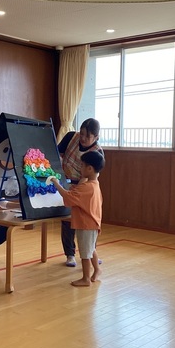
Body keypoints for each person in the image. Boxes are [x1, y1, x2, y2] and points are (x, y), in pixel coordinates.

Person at [50, 150, 105, 286]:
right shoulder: (94, 184)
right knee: (90, 248)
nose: (80, 168)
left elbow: (68, 197)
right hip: (92, 223)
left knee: (85, 253)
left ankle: (86, 278)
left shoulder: (87, 187)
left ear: (89, 168)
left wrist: (56, 183)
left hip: (86, 225)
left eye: (82, 166)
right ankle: (97, 269)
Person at [58, 118, 103, 267]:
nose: (83, 138)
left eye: (87, 136)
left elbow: (90, 177)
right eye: (82, 133)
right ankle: (70, 254)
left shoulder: (97, 152)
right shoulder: (71, 136)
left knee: (88, 223)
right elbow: (56, 153)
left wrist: (77, 191)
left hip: (84, 188)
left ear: (96, 137)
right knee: (67, 220)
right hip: (65, 180)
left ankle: (90, 253)